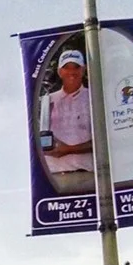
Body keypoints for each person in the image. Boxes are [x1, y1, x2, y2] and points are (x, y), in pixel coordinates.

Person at [37, 47, 96, 194]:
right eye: (66, 67)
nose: (72, 72)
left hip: (87, 174)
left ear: (83, 70)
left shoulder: (94, 97)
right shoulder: (46, 101)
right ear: (60, 72)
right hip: (53, 177)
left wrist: (68, 149)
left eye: (76, 67)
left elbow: (103, 140)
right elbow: (37, 138)